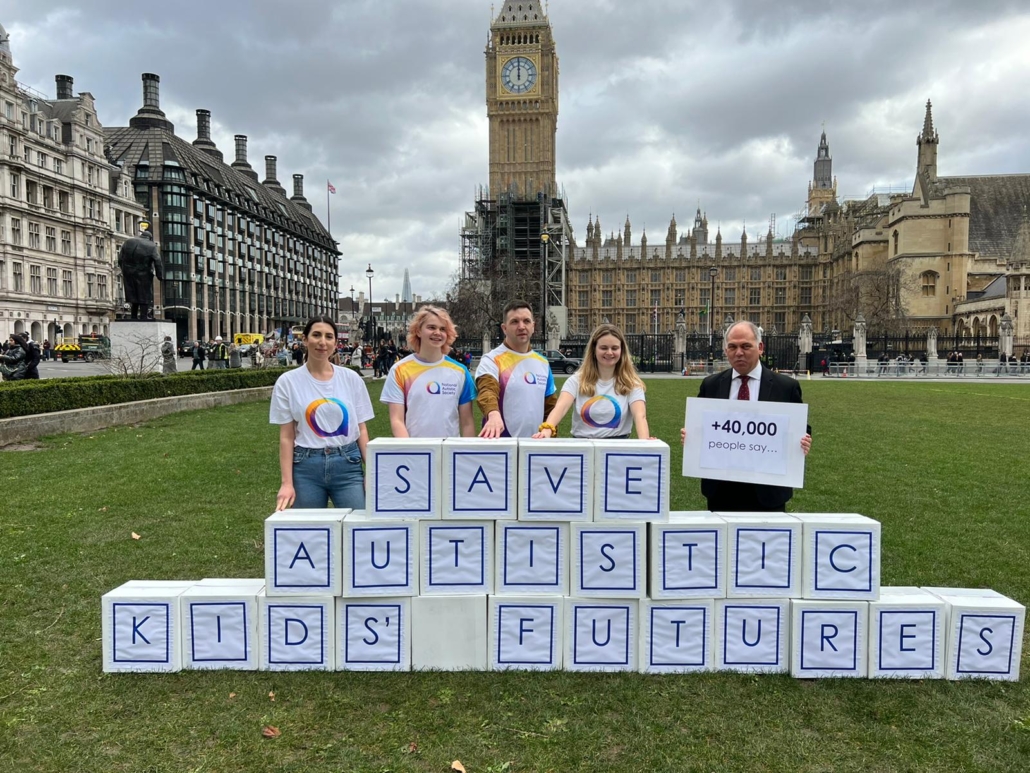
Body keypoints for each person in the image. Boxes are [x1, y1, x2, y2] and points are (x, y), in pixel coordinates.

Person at [681, 321, 812, 512]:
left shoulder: (785, 387)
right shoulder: (711, 385)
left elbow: (800, 428)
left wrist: (804, 441)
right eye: (732, 347)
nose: (739, 352)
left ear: (760, 348)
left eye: (745, 346)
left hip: (768, 490)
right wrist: (691, 436)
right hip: (722, 489)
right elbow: (701, 427)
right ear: (726, 350)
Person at [269, 315, 374, 511]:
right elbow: (286, 436)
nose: (322, 342)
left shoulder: (351, 379)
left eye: (329, 337)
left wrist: (372, 472)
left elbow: (361, 429)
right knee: (309, 536)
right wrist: (287, 483)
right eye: (316, 335)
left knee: (359, 531)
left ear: (335, 342)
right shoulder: (287, 382)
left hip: (348, 464)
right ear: (305, 339)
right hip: (306, 467)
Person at [532, 323, 650, 440]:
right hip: (582, 448)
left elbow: (640, 416)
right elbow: (560, 408)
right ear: (594, 350)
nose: (609, 352)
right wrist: (547, 430)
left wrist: (645, 443)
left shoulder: (632, 384)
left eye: (614, 348)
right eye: (603, 348)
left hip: (617, 449)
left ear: (622, 350)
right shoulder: (576, 380)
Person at [381, 305, 476, 438]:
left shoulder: (460, 371)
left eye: (442, 329)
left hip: (449, 454)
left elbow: (467, 423)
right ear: (418, 331)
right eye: (431, 327)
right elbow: (397, 420)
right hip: (416, 454)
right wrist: (412, 453)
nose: (437, 333)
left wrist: (465, 455)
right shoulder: (400, 370)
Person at [475, 299, 557, 438]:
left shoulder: (542, 362)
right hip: (501, 447)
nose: (521, 326)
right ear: (504, 328)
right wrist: (493, 414)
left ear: (533, 326)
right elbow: (487, 391)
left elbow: (550, 407)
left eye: (526, 321)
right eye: (514, 321)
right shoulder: (491, 359)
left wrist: (551, 436)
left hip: (535, 447)